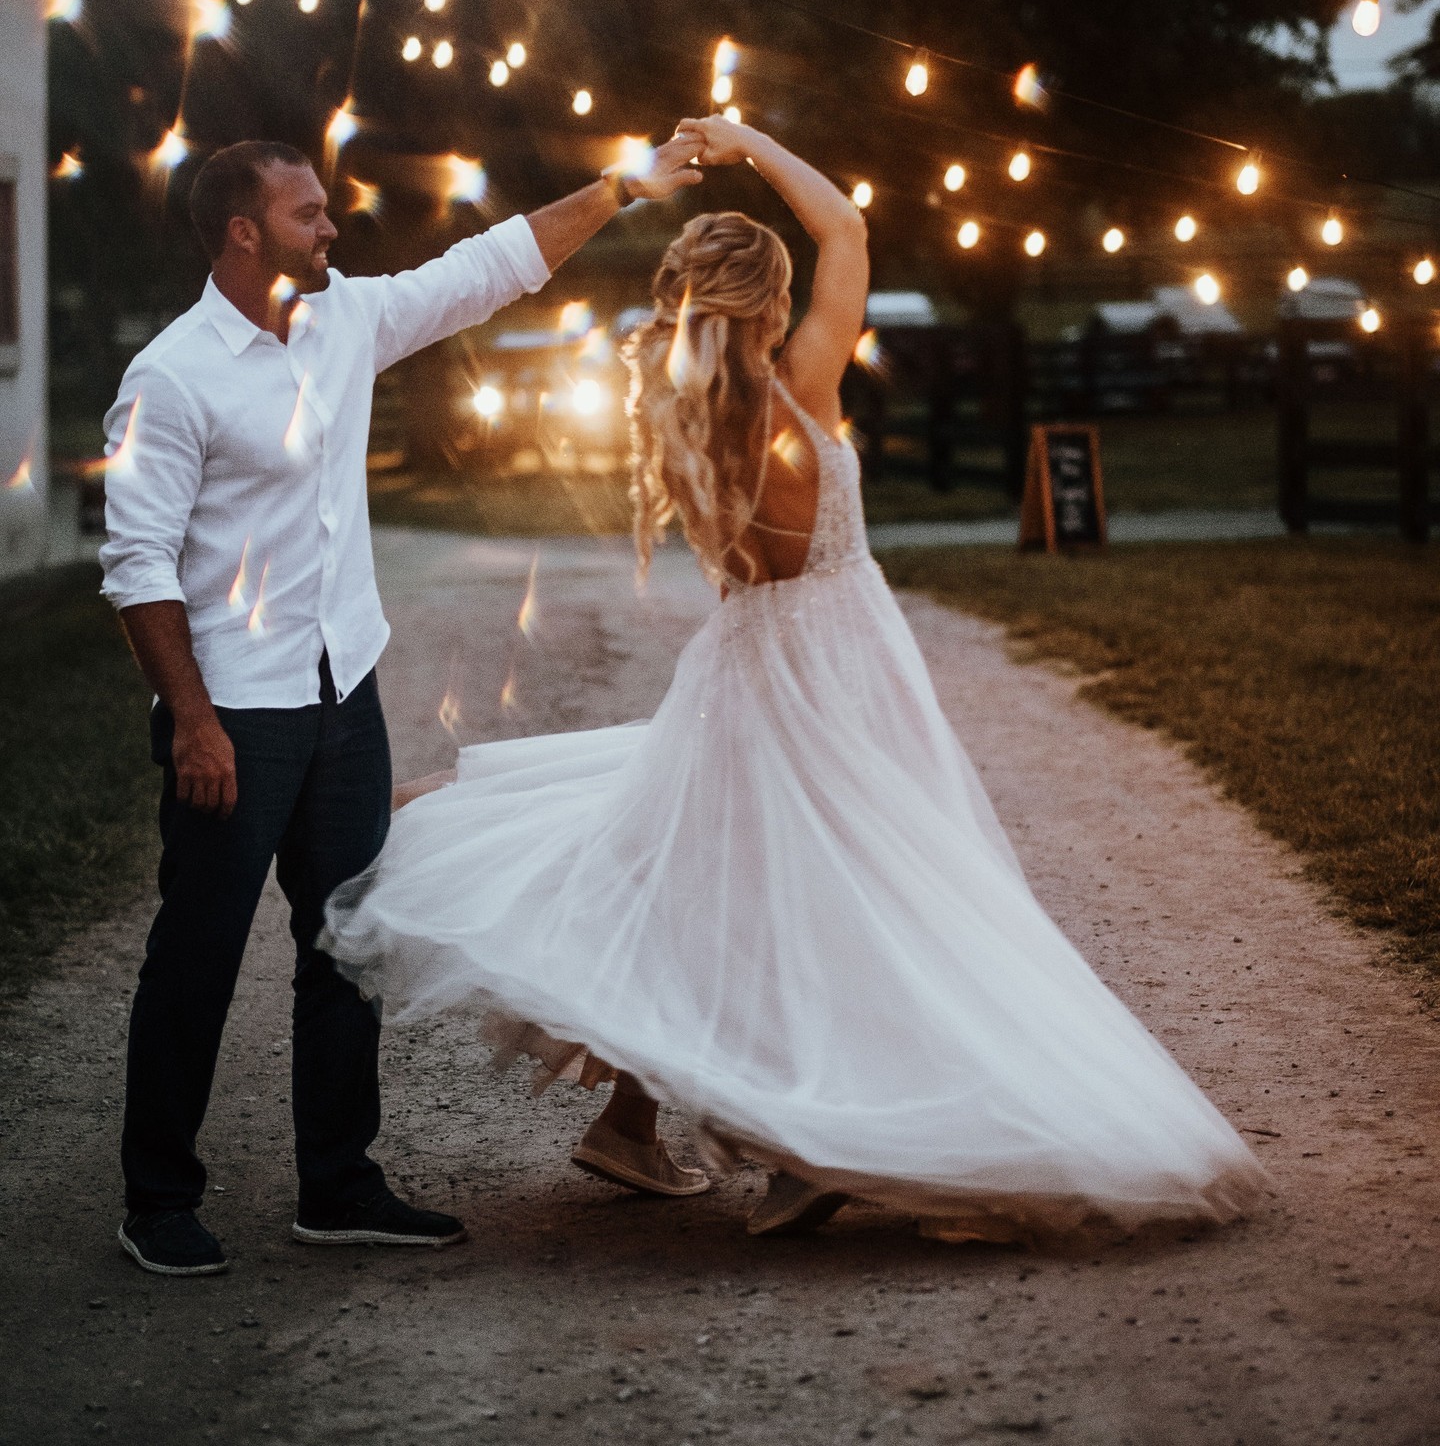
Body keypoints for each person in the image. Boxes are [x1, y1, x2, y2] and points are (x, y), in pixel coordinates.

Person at [323, 117, 1268, 1242]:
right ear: (770, 306)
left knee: (696, 873)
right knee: (854, 895)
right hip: (838, 660)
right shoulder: (799, 393)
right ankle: (820, 1144)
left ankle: (631, 1127)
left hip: (749, 667)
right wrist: (751, 140)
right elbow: (848, 224)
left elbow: (735, 581)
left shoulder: (684, 416)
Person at [100, 134, 703, 1276]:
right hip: (236, 710)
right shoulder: (170, 376)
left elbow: (495, 264)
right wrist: (192, 722)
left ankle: (337, 1183)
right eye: (307, 213)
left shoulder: (346, 323)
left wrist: (626, 184)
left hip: (344, 696)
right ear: (244, 232)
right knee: (198, 955)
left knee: (349, 944)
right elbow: (139, 569)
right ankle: (158, 1198)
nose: (332, 230)